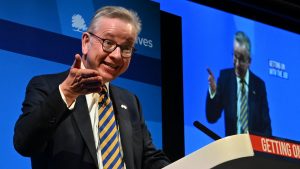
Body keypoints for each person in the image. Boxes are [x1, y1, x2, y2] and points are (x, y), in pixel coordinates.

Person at [13, 6, 170, 169]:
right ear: (86, 42)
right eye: (108, 43)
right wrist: (67, 92)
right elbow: (24, 144)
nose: (117, 56)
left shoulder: (130, 101)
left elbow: (149, 157)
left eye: (126, 48)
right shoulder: (47, 87)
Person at [206, 31, 272, 137]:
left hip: (254, 150)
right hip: (232, 150)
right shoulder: (225, 79)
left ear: (249, 61)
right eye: (235, 57)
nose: (236, 64)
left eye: (241, 59)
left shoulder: (259, 86)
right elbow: (212, 117)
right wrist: (213, 91)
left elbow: (266, 127)